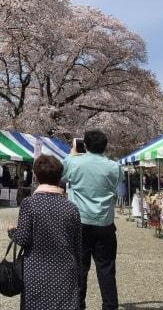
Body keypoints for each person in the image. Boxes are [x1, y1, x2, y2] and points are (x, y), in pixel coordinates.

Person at [9, 154, 81, 310]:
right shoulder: (72, 208)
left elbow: (23, 238)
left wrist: (12, 232)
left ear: (36, 176)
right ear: (59, 176)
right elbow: (77, 246)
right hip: (66, 272)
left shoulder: (30, 204)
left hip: (36, 271)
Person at [62, 130, 122, 310]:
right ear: (105, 146)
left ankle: (78, 306)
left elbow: (62, 177)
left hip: (79, 222)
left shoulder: (73, 162)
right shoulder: (113, 166)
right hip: (104, 223)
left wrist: (72, 154)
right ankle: (110, 306)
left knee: (79, 269)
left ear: (85, 145)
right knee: (106, 270)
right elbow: (115, 185)